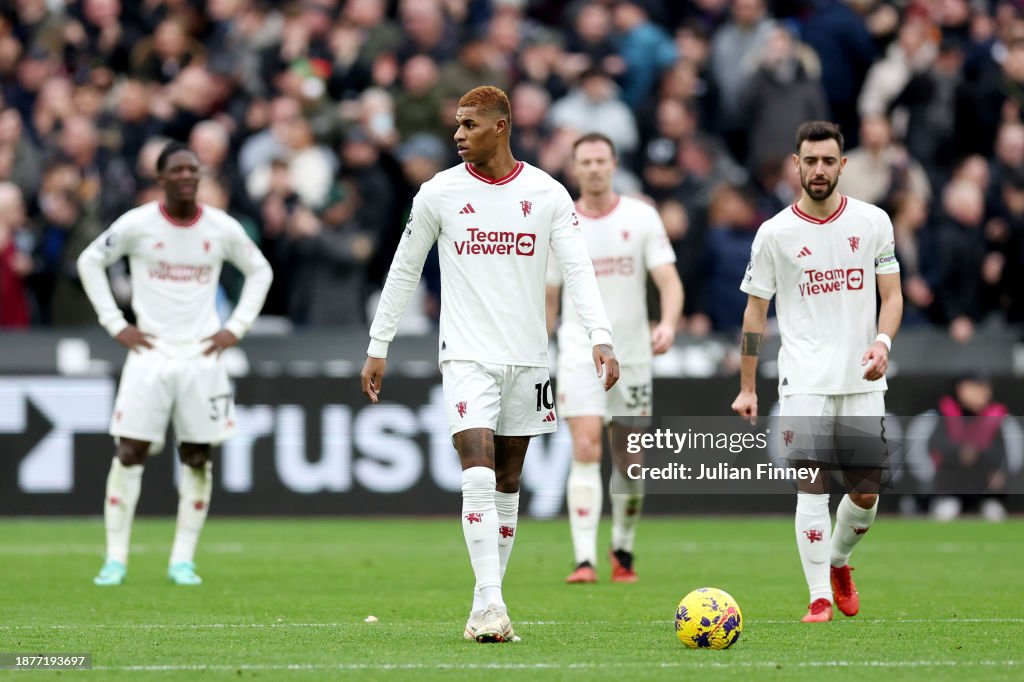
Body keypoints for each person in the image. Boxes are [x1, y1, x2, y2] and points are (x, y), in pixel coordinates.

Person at [360, 86, 619, 643]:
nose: (458, 134)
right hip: (466, 355)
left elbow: (578, 270)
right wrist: (379, 343)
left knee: (507, 480)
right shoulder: (438, 193)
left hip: (528, 358)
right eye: (457, 123)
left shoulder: (547, 193)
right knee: (475, 469)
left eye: (469, 124)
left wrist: (600, 336)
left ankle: (489, 604)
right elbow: (405, 269)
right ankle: (489, 604)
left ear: (500, 127)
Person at [77, 141, 273, 587]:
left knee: (197, 455)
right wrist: (114, 323)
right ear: (161, 177)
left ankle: (182, 559)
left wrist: (235, 327)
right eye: (178, 170)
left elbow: (260, 270)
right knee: (129, 451)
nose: (187, 176)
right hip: (150, 354)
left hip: (202, 356)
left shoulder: (221, 227)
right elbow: (90, 260)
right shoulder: (138, 224)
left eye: (193, 170)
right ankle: (115, 559)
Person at [731, 121, 903, 622]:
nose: (820, 170)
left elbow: (891, 297)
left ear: (843, 165)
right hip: (803, 378)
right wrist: (747, 386)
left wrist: (882, 342)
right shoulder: (775, 233)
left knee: (865, 494)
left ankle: (838, 562)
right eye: (811, 161)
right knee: (811, 482)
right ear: (797, 164)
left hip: (861, 377)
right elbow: (754, 314)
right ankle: (817, 598)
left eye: (829, 161)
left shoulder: (873, 222)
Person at [546, 132, 682, 584]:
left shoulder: (641, 216)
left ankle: (622, 548)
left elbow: (668, 279)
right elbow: (549, 295)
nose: (594, 168)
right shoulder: (560, 221)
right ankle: (584, 559)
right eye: (585, 162)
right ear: (575, 168)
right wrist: (539, 343)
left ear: (614, 163)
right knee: (585, 446)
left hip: (633, 354)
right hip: (577, 351)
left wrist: (668, 321)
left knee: (629, 459)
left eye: (601, 160)